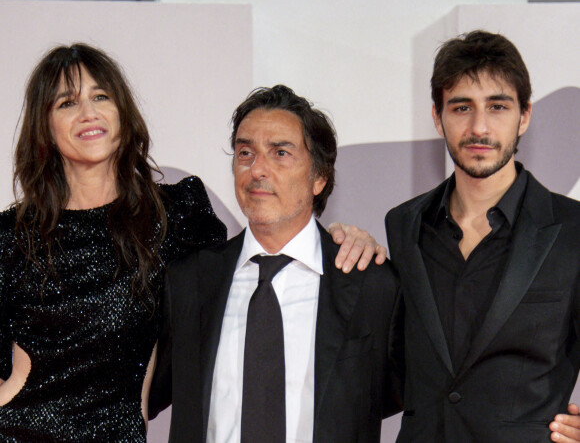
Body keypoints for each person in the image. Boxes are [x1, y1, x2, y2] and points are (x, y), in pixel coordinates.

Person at [0, 45, 384, 442]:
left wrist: (339, 237)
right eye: (67, 103)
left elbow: (256, 256)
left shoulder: (176, 216)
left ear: (122, 111)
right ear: (44, 125)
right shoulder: (10, 237)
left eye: (101, 96)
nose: (88, 113)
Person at [149, 85, 403, 442]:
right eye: (245, 153)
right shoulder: (188, 280)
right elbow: (138, 393)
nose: (257, 170)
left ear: (319, 177)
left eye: (280, 153)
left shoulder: (372, 283)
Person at [386, 30, 580, 443]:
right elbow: (386, 369)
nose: (479, 127)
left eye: (497, 106)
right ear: (437, 117)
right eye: (461, 107)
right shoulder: (403, 225)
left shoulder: (573, 230)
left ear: (524, 115)